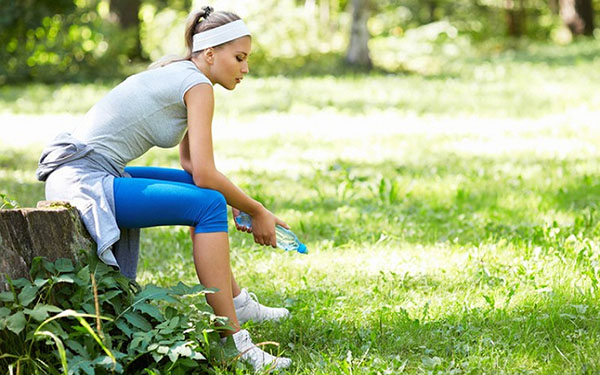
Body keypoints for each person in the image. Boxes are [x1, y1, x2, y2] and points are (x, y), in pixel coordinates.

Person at [36, 6, 292, 371]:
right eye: (239, 58)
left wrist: (238, 201)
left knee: (209, 199)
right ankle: (235, 344)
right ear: (209, 54)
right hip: (86, 181)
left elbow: (192, 167)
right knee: (209, 206)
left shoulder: (181, 72)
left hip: (86, 171)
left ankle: (235, 302)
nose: (245, 68)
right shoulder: (198, 85)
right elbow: (205, 174)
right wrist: (256, 209)